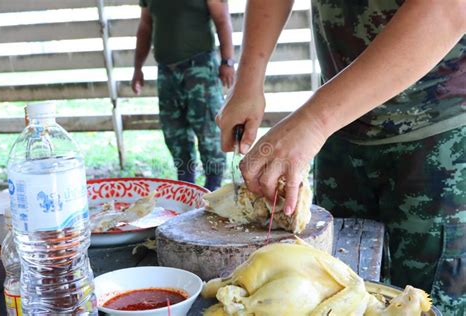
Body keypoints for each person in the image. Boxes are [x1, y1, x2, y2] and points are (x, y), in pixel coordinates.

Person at [217, 0, 465, 314]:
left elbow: (449, 8)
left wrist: (313, 121)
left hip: (442, 139)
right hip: (341, 131)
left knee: (429, 304)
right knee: (329, 296)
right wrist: (248, 80)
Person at [132, 0, 235, 191]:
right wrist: (137, 68)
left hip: (200, 67)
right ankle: (185, 185)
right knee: (174, 131)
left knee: (207, 129)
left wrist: (227, 61)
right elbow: (145, 26)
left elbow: (222, 19)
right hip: (166, 71)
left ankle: (213, 186)